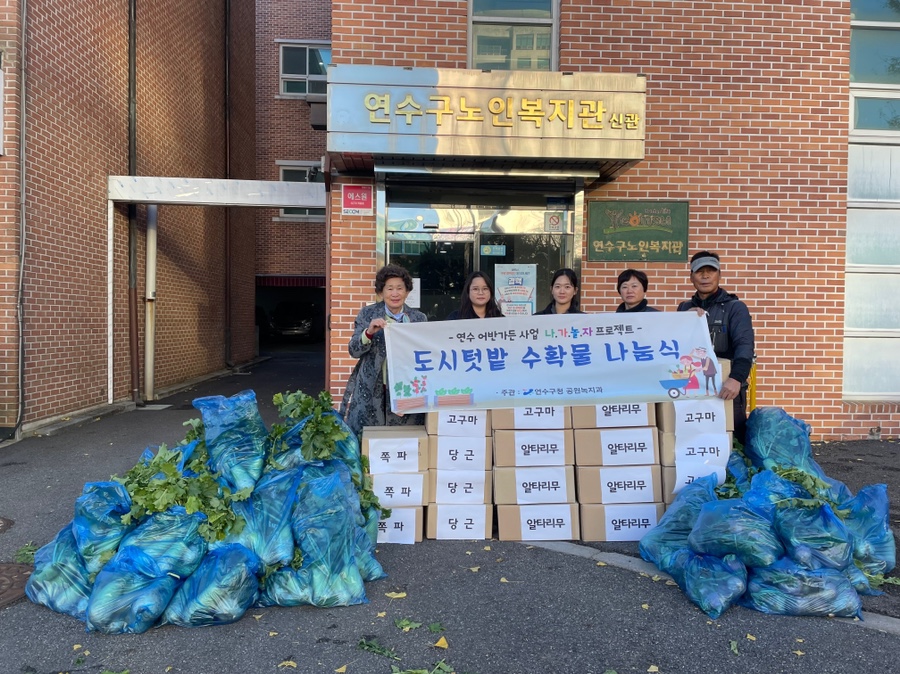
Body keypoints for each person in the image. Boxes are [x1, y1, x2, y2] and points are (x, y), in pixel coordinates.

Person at [339, 264, 427, 438]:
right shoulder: (367, 314)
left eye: (400, 288)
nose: (395, 294)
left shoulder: (418, 318)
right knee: (368, 438)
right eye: (390, 288)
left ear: (407, 292)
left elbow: (425, 354)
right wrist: (369, 333)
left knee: (403, 439)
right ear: (381, 292)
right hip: (372, 388)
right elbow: (353, 350)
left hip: (406, 389)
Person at [677, 251, 755, 444]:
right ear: (691, 277)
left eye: (710, 271)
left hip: (726, 389)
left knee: (732, 443)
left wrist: (736, 378)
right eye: (699, 272)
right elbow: (677, 348)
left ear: (719, 275)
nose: (705, 276)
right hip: (692, 389)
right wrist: (687, 319)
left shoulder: (735, 307)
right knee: (696, 441)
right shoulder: (683, 308)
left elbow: (745, 346)